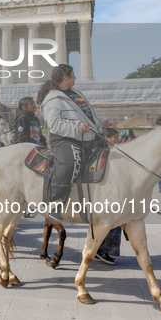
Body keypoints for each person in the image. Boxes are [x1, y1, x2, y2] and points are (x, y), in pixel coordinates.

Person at [38, 64, 111, 221]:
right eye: (73, 74)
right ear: (65, 76)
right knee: (70, 162)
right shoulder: (52, 98)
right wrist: (78, 128)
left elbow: (86, 117)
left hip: (85, 136)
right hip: (64, 139)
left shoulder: (75, 93)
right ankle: (54, 203)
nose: (76, 77)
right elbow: (56, 125)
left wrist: (102, 122)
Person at [95, 127, 121, 264]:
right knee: (112, 221)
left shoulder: (113, 151)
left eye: (118, 137)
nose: (118, 139)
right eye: (115, 137)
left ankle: (102, 249)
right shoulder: (103, 153)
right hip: (103, 194)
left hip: (112, 192)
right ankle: (100, 250)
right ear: (107, 139)